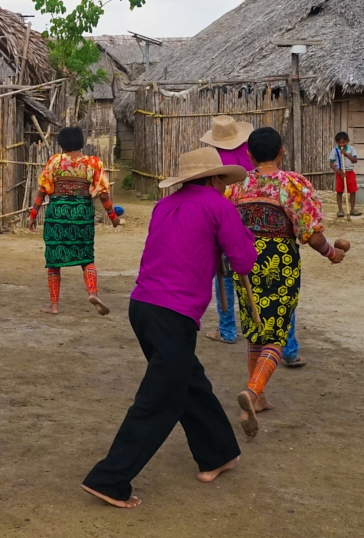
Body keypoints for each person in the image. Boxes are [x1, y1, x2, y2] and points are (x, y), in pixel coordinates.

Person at [81, 147, 256, 508]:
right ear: (215, 179)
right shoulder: (219, 205)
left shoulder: (165, 205)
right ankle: (110, 478)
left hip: (143, 306)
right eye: (222, 180)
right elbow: (243, 260)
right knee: (161, 400)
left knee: (189, 383)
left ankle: (218, 454)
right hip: (173, 313)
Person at [228, 127, 345, 438]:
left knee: (255, 326)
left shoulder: (237, 187)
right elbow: (311, 234)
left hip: (246, 263)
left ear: (250, 156)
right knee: (277, 335)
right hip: (280, 261)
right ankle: (252, 394)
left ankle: (261, 397)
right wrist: (332, 253)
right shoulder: (293, 185)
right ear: (282, 151)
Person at [28, 127, 118, 316]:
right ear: (81, 143)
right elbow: (103, 194)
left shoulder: (55, 161)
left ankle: (54, 305)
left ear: (61, 144)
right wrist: (113, 217)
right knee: (86, 257)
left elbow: (42, 190)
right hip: (82, 215)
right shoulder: (93, 163)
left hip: (57, 215)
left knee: (54, 261)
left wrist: (33, 215)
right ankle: (92, 293)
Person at [200, 115, 254, 345]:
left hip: (223, 217)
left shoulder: (213, 159)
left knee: (223, 276)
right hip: (253, 220)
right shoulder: (251, 155)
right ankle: (259, 326)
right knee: (252, 275)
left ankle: (228, 330)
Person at [330, 131, 361, 218]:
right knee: (339, 191)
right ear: (336, 142)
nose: (341, 144)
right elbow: (331, 164)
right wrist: (338, 171)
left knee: (352, 191)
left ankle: (352, 210)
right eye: (339, 142)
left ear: (347, 141)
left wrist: (346, 154)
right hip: (340, 173)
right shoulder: (334, 150)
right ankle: (340, 210)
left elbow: (355, 160)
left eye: (343, 142)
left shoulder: (351, 149)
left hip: (350, 172)